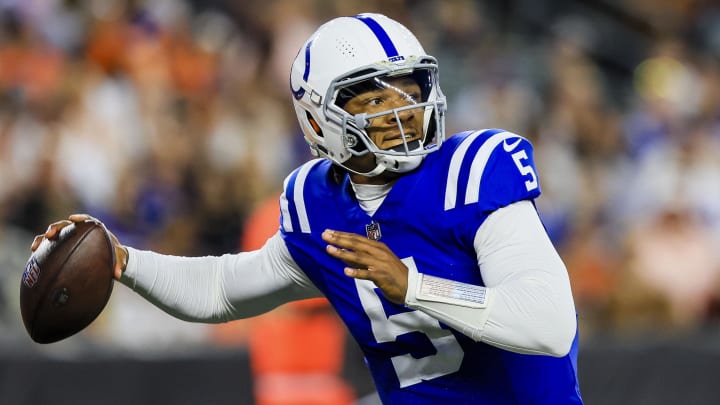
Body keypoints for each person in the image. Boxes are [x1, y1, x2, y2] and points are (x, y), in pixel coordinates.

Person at [33, 13, 583, 404]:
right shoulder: (315, 204)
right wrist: (123, 262)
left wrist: (415, 288)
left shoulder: (477, 170)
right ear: (319, 120)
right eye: (374, 97)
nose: (403, 109)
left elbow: (549, 323)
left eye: (409, 89)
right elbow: (224, 288)